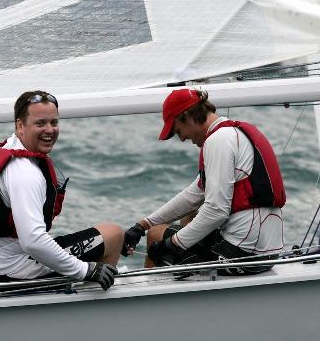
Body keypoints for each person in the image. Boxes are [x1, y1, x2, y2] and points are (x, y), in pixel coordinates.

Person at [0, 90, 124, 290]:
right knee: (114, 235)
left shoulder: (7, 149)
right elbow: (33, 241)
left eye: (54, 123)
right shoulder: (24, 172)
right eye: (40, 123)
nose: (49, 130)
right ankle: (99, 308)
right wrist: (85, 270)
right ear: (20, 126)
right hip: (11, 274)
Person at [122, 88, 285, 275]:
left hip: (243, 255)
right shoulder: (233, 133)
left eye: (178, 130)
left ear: (188, 117)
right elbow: (192, 196)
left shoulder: (218, 141)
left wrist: (172, 244)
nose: (182, 138)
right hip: (266, 252)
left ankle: (148, 297)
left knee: (158, 236)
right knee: (172, 225)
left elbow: (216, 210)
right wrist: (141, 225)